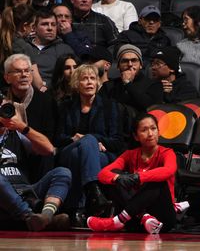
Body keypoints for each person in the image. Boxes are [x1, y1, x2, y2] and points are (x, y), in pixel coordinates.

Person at [0, 59, 71, 231]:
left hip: (26, 190)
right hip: (3, 197)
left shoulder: (16, 132)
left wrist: (22, 127)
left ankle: (45, 216)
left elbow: (48, 149)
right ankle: (29, 217)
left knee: (62, 172)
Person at [88, 113, 177, 234]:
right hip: (135, 219)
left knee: (157, 180)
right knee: (115, 177)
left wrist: (138, 177)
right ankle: (143, 215)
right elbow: (103, 174)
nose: (150, 134)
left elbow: (168, 170)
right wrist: (118, 178)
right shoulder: (130, 154)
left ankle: (117, 220)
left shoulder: (167, 152)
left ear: (158, 131)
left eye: (153, 128)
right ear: (136, 136)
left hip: (162, 219)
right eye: (144, 130)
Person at [55, 64, 123, 217]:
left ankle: (77, 210)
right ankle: (94, 190)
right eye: (84, 79)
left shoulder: (110, 106)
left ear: (98, 83)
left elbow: (117, 141)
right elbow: (57, 138)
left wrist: (92, 141)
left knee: (85, 146)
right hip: (70, 148)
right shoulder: (65, 106)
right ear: (76, 84)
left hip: (101, 153)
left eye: (93, 78)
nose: (89, 82)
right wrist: (73, 138)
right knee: (81, 147)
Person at [101, 44, 163, 114]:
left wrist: (128, 84)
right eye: (125, 61)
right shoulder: (109, 86)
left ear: (141, 65)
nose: (130, 64)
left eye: (134, 60)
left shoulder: (154, 85)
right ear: (118, 66)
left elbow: (151, 108)